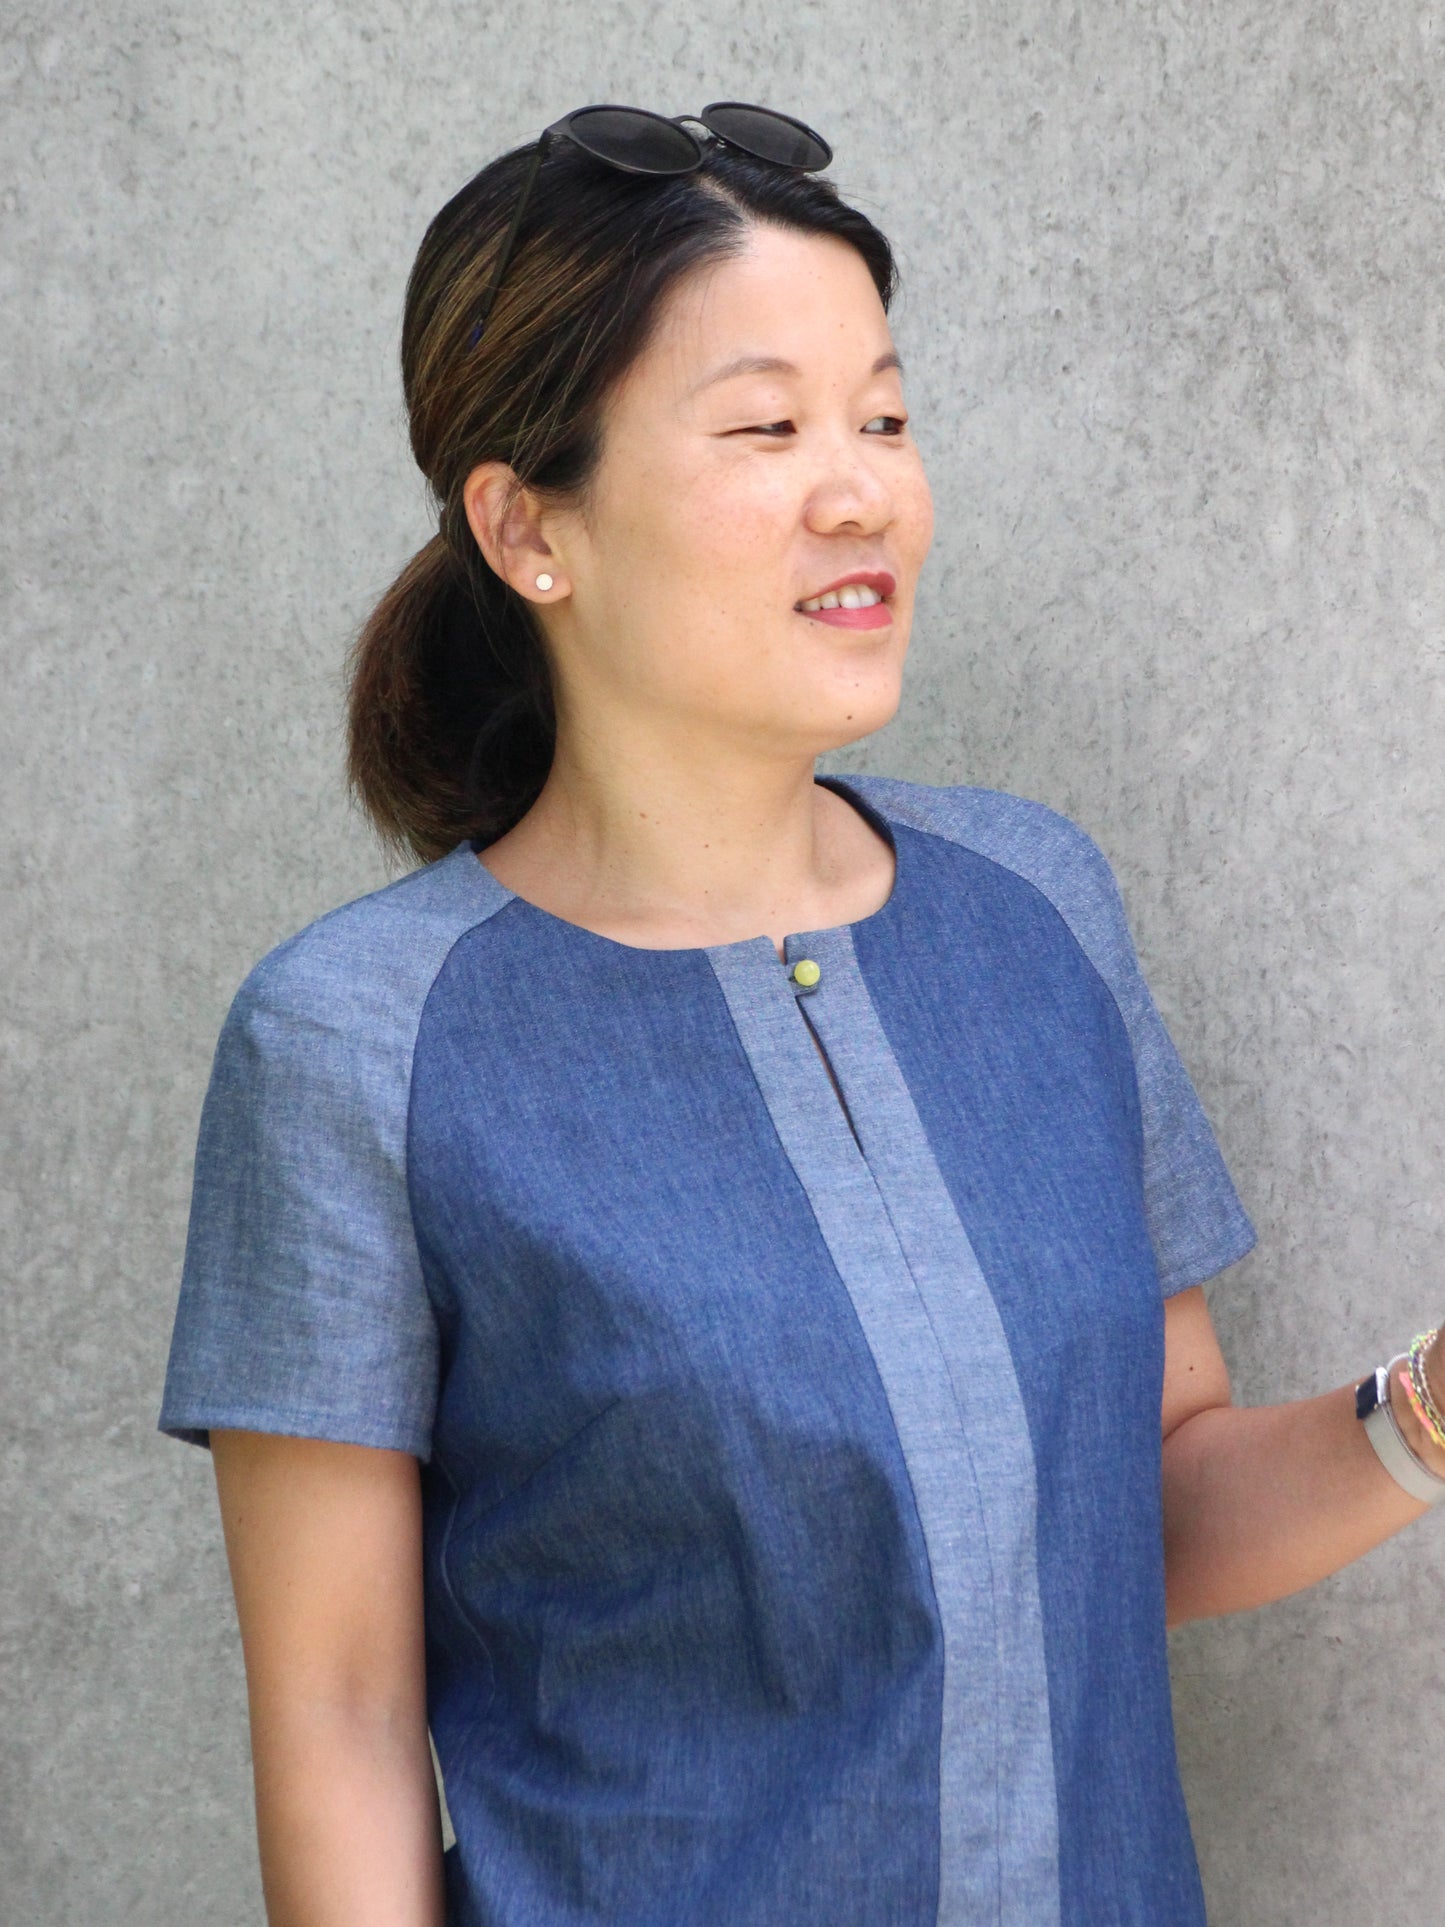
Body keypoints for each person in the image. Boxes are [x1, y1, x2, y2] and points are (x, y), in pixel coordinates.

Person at [157, 101, 1445, 1927]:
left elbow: (1142, 1500)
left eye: (885, 420)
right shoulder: (354, 1041)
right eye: (767, 429)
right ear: (526, 527)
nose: (862, 492)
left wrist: (1428, 1412)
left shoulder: (1035, 910)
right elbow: (343, 1718)